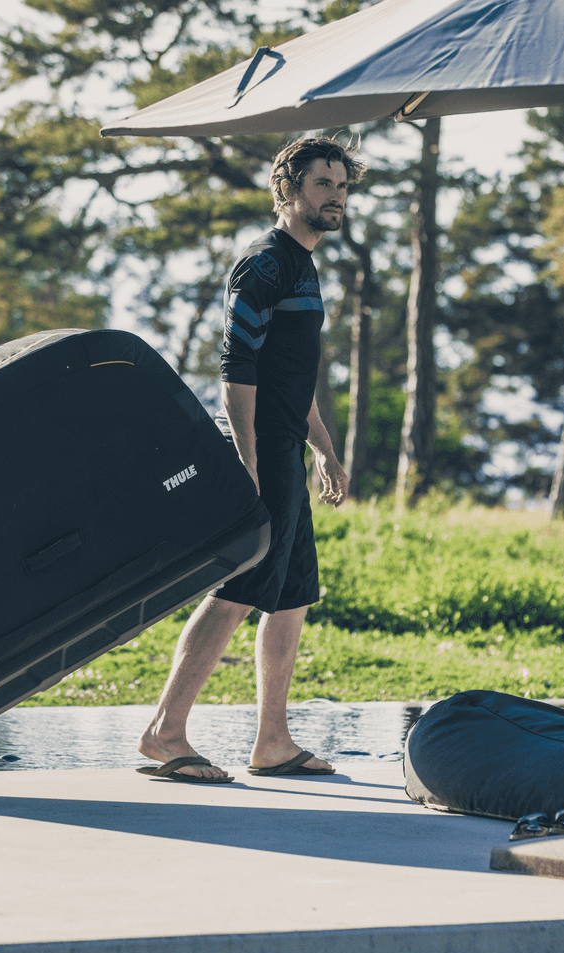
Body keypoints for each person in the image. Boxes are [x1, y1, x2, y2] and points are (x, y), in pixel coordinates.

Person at [137, 136, 365, 783]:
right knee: (236, 591)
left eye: (342, 186)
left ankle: (271, 740)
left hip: (286, 453)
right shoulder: (264, 264)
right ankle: (164, 730)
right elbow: (236, 369)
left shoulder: (304, 266)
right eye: (323, 184)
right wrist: (249, 460)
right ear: (288, 188)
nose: (336, 197)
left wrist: (324, 449)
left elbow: (292, 378)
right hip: (259, 453)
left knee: (289, 598)